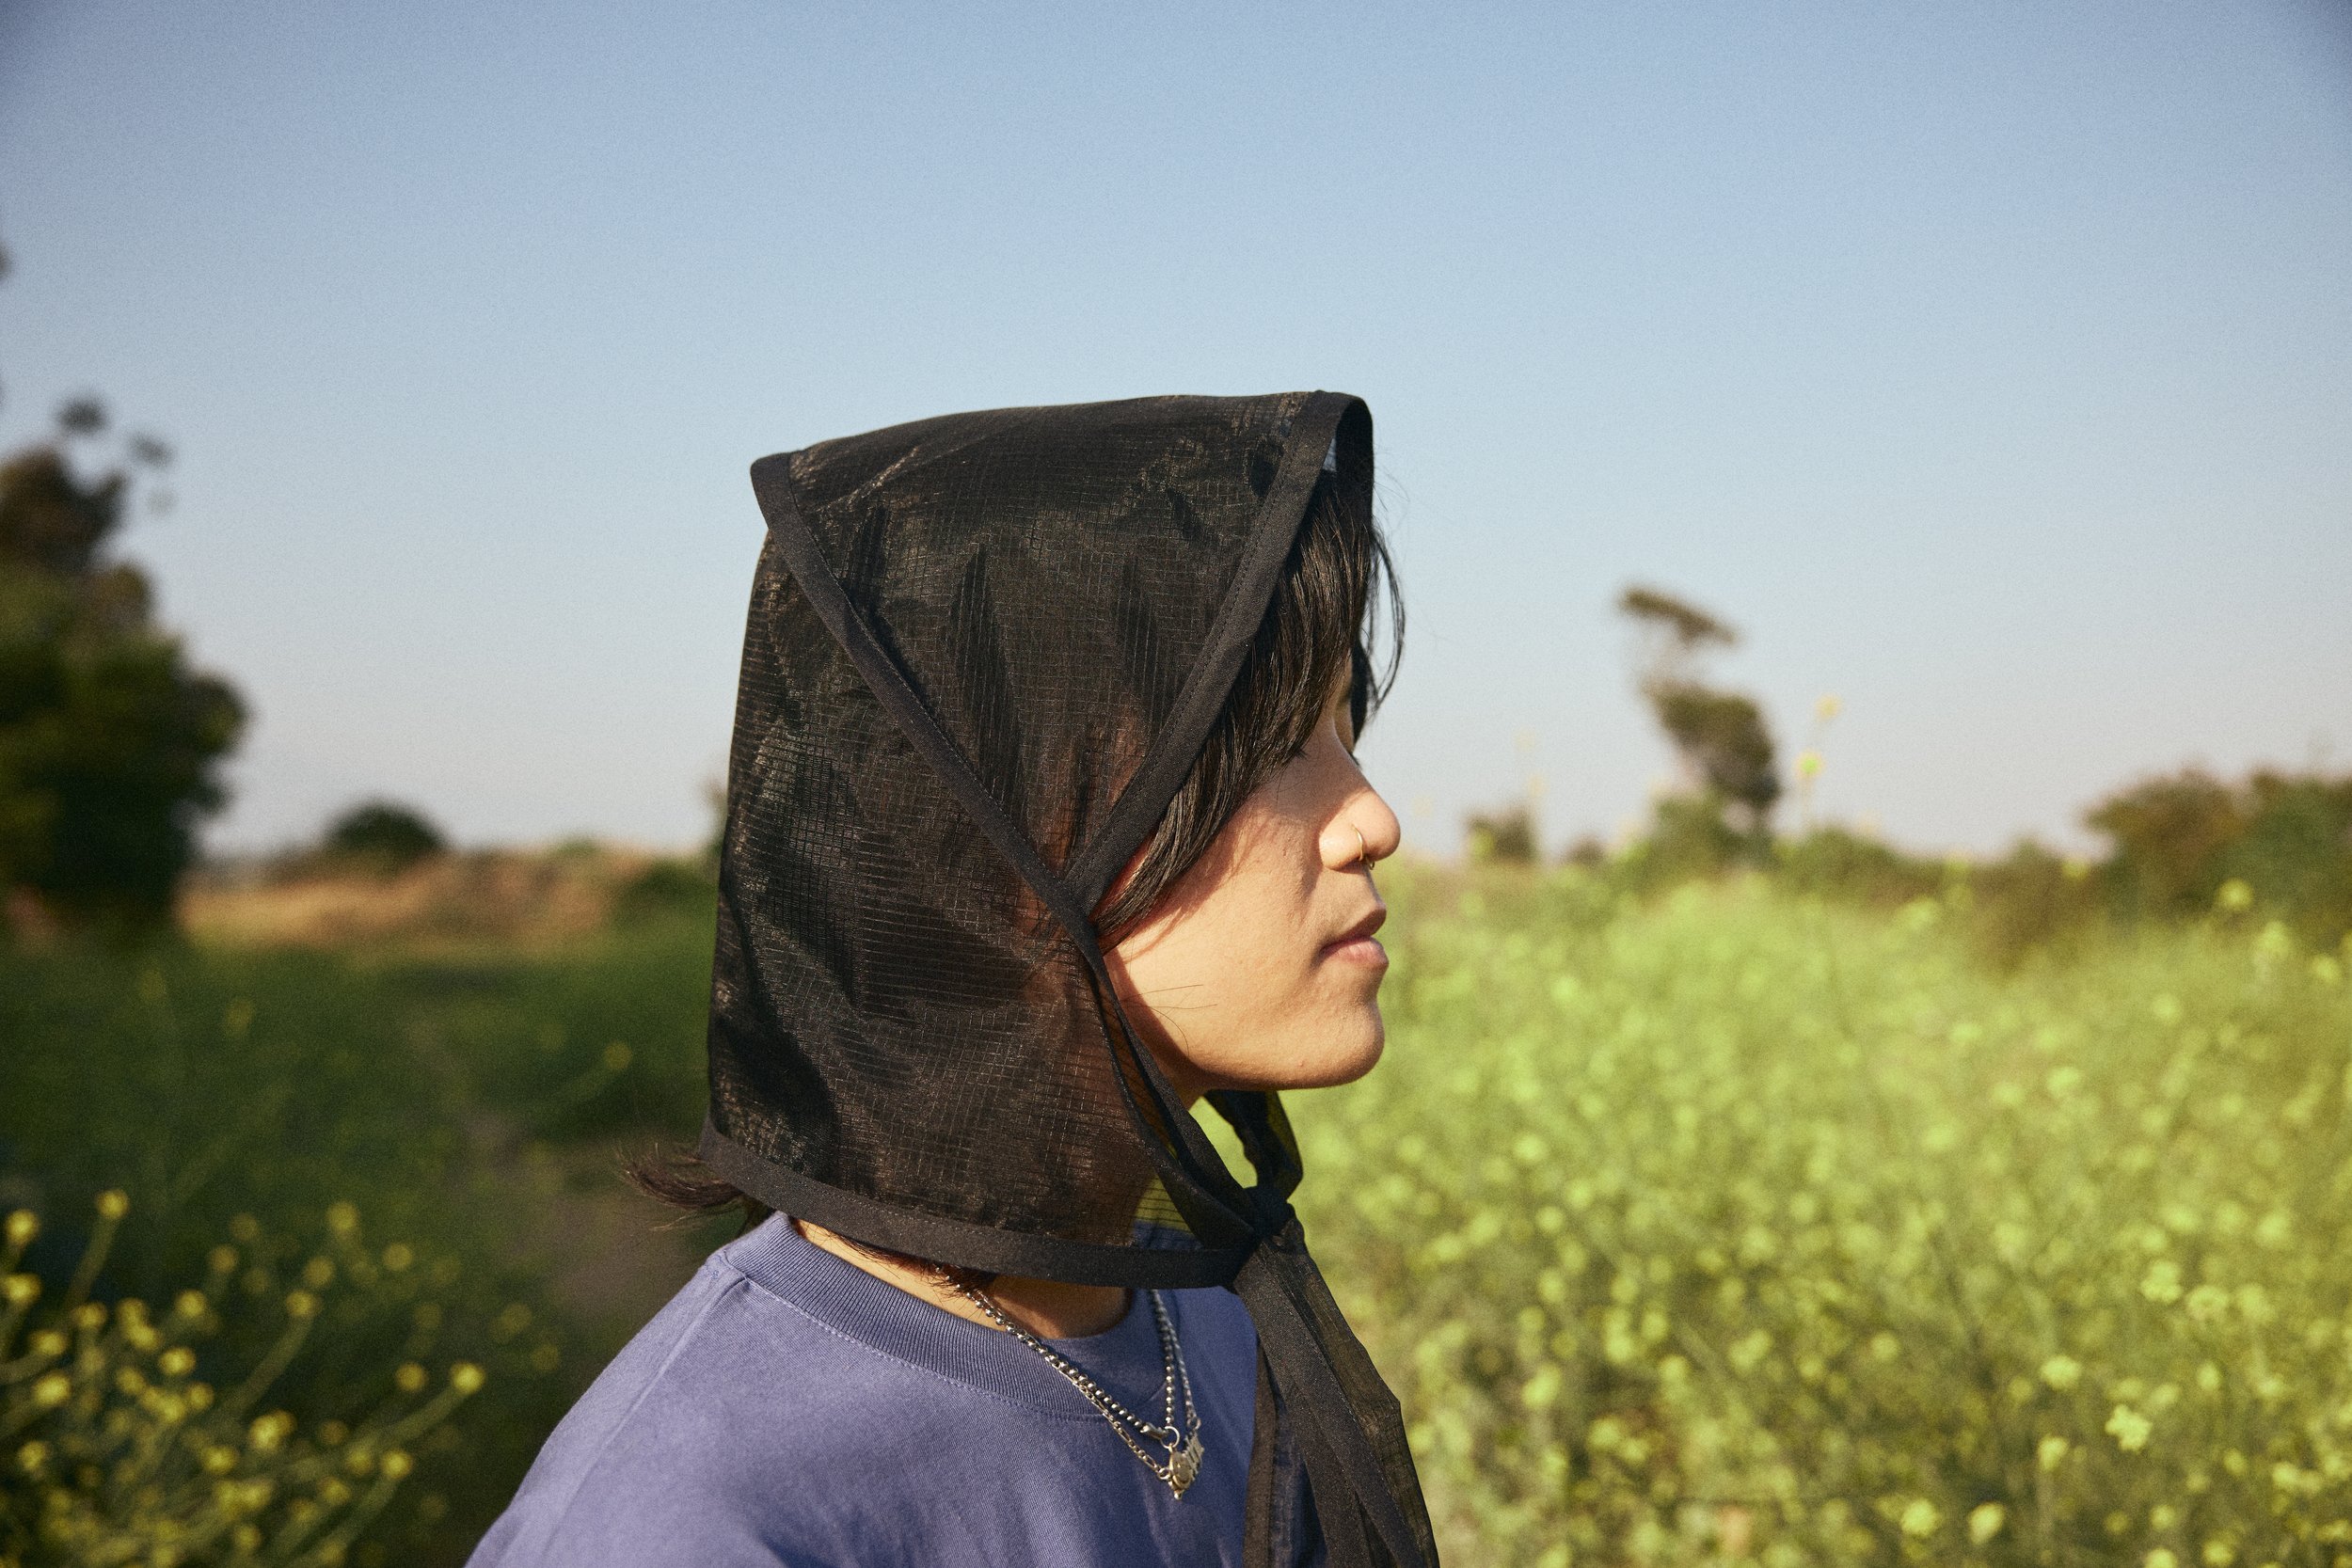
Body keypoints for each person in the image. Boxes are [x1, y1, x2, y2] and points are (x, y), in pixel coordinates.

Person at [468, 394, 1438, 1568]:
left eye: (1347, 729)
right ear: (995, 835)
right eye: (1273, 747)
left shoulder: (1215, 1326)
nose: (1371, 820)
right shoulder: (695, 1519)